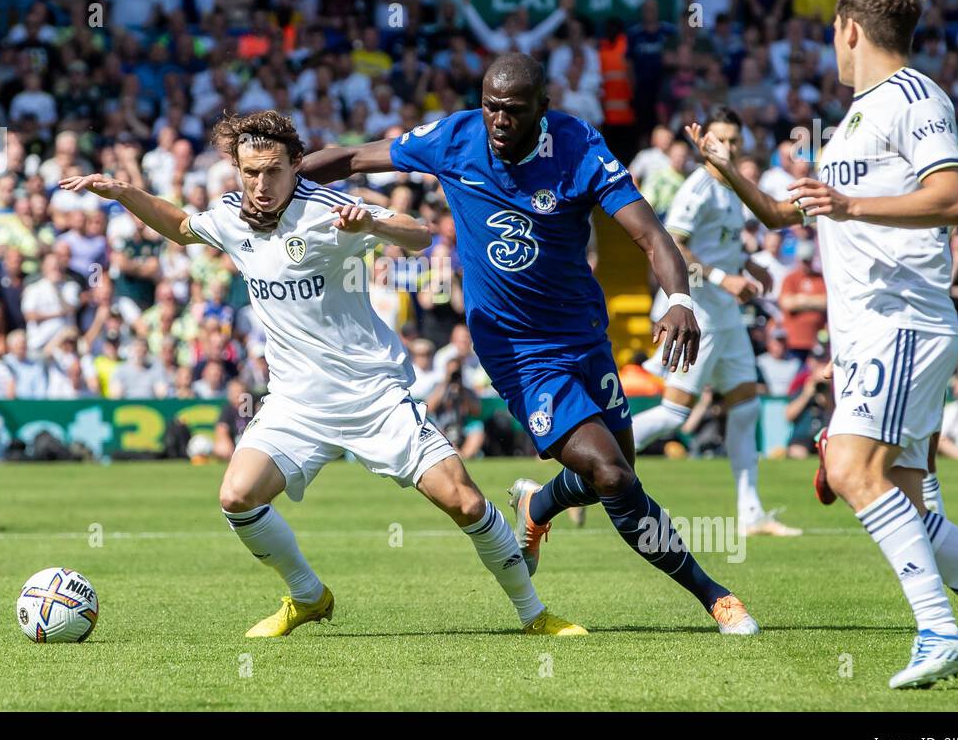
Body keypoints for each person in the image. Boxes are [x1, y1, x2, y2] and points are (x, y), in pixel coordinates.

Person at [242, 55, 760, 636]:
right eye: (490, 105)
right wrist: (279, 185)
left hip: (585, 338)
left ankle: (536, 508)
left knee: (611, 477)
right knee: (614, 478)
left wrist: (681, 301)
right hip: (518, 350)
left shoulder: (576, 145)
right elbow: (357, 157)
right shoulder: (455, 135)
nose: (498, 119)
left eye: (513, 110)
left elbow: (648, 233)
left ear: (543, 107)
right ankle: (715, 596)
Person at [61, 110, 584, 639]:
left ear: (296, 166)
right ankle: (308, 596)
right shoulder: (229, 216)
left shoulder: (326, 208)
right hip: (296, 403)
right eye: (249, 173)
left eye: (271, 171)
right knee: (236, 497)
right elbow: (178, 226)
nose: (260, 185)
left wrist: (373, 223)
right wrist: (125, 192)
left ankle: (534, 614)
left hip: (372, 396)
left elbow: (420, 236)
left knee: (466, 502)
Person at [688, 0, 958, 688]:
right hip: (868, 333)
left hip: (902, 319)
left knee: (849, 470)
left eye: (833, 32)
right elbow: (792, 214)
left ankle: (939, 630)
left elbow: (948, 196)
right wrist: (731, 175)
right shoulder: (854, 117)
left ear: (849, 29)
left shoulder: (916, 98)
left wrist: (849, 205)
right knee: (906, 503)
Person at [633, 106, 800, 538]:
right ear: (705, 142)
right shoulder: (700, 188)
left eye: (733, 140)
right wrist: (725, 278)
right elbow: (673, 247)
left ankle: (751, 514)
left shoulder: (733, 188)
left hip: (726, 318)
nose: (727, 146)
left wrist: (748, 265)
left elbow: (722, 244)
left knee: (745, 409)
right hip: (699, 316)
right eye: (719, 139)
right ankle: (591, 466)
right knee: (673, 415)